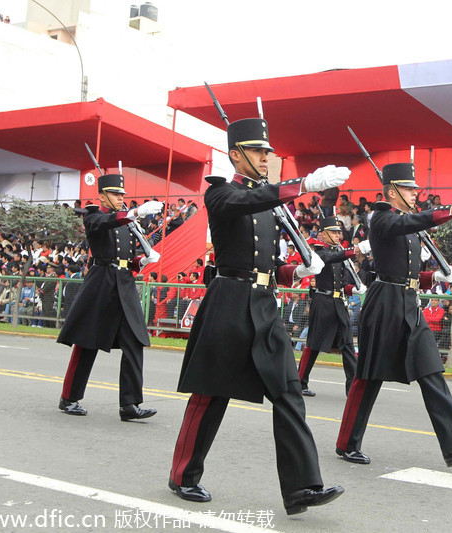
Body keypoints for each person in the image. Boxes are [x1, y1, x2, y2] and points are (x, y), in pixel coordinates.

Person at [168, 117, 348, 513]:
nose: (266, 157)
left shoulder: (268, 202)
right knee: (210, 394)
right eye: (257, 151)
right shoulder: (221, 194)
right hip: (229, 303)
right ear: (235, 155)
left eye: (267, 151)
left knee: (289, 391)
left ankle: (303, 488)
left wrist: (295, 272)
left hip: (264, 305)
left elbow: (266, 265)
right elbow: (245, 203)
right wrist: (301, 187)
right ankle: (183, 474)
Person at [335, 163, 452, 466]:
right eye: (409, 188)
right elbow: (405, 231)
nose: (415, 192)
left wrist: (433, 278)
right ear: (392, 192)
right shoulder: (381, 218)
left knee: (430, 370)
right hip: (384, 304)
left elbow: (404, 270)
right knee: (368, 376)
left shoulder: (406, 221)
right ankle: (347, 443)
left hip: (409, 301)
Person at [57, 174, 163, 419]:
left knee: (135, 341)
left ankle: (129, 405)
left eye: (122, 195)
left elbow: (125, 258)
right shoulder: (94, 215)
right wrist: (135, 213)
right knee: (86, 343)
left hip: (124, 285)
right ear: (102, 195)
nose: (120, 198)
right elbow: (104, 224)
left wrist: (141, 261)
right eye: (115, 194)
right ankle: (69, 398)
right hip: (101, 285)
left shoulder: (126, 221)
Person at [297, 216, 364, 397]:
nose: (337, 235)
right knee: (313, 345)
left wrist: (355, 289)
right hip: (323, 302)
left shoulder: (341, 253)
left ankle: (353, 388)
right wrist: (354, 250)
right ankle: (300, 383)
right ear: (323, 235)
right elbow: (329, 258)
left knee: (348, 345)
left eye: (338, 232)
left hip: (338, 302)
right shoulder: (319, 252)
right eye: (333, 232)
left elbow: (344, 283)